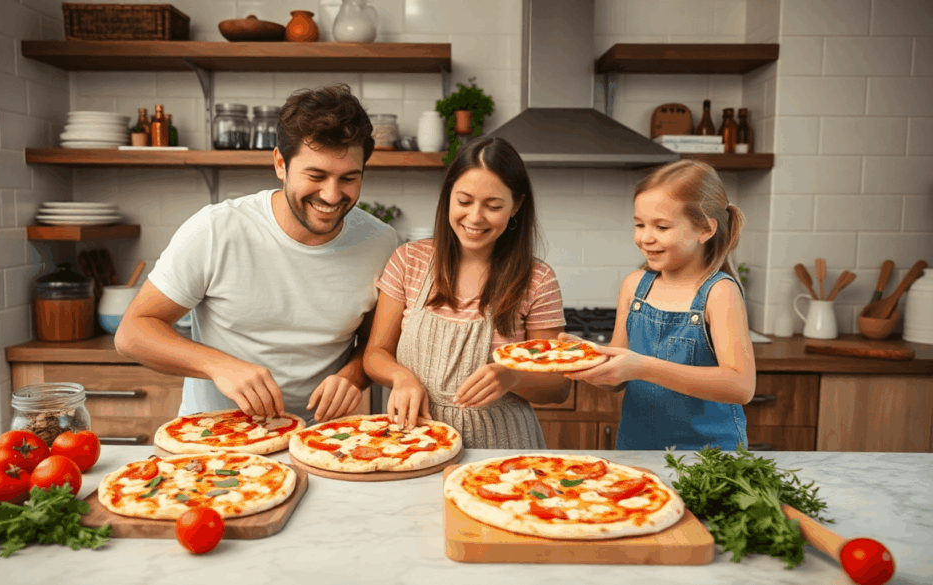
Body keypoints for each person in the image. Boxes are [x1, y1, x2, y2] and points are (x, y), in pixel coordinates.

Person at [115, 84, 399, 423]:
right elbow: (133, 332)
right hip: (218, 432)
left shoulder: (380, 242)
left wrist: (352, 376)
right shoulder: (217, 229)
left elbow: (375, 344)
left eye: (349, 178)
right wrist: (219, 365)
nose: (332, 195)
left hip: (319, 436)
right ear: (280, 163)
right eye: (316, 176)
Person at [363, 137, 571, 449]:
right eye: (464, 201)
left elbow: (558, 386)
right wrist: (400, 377)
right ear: (447, 197)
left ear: (516, 206)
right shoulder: (408, 261)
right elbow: (375, 353)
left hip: (503, 451)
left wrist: (512, 377)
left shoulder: (537, 280)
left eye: (493, 206)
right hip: (414, 441)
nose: (475, 217)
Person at [565, 159, 755, 450]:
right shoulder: (634, 286)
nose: (645, 238)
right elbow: (617, 380)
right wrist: (586, 360)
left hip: (708, 457)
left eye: (662, 226)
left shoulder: (719, 292)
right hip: (638, 450)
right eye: (639, 224)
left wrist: (641, 367)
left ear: (705, 229)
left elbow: (741, 387)